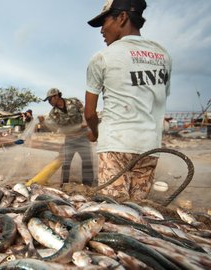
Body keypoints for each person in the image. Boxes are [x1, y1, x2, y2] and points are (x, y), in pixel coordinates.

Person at [84, 0, 172, 200]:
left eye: (104, 22)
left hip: (115, 145)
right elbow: (158, 99)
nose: (101, 31)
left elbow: (89, 113)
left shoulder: (102, 57)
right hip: (150, 146)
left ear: (122, 17)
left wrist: (95, 133)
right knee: (137, 211)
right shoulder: (163, 55)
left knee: (115, 211)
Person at [39, 88, 95, 186]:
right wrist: (43, 122)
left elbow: (85, 112)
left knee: (87, 161)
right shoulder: (53, 113)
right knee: (65, 162)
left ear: (56, 96)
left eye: (50, 99)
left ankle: (87, 184)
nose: (49, 102)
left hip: (83, 137)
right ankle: (64, 183)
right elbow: (55, 128)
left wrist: (88, 126)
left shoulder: (73, 102)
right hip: (69, 138)